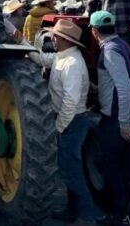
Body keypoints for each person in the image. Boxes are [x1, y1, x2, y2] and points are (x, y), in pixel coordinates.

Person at [29, 19, 99, 226]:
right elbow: (41, 59)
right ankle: (73, 210)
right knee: (69, 167)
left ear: (65, 40)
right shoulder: (64, 57)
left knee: (71, 168)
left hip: (72, 121)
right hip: (70, 119)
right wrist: (19, 38)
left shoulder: (73, 64)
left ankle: (87, 216)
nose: (52, 39)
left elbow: (71, 101)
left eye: (56, 36)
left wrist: (59, 127)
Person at [89, 11, 130, 226]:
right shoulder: (124, 45)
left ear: (94, 31)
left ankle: (120, 215)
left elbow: (124, 89)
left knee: (113, 167)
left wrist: (123, 124)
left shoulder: (109, 51)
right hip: (126, 112)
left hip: (117, 116)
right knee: (129, 167)